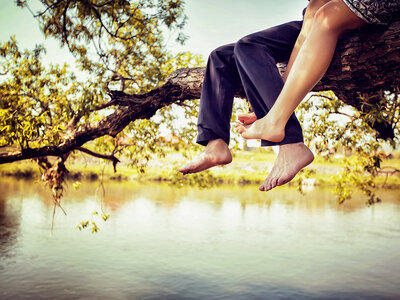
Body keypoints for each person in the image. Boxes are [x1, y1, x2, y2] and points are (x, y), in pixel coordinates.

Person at [179, 0, 400, 191]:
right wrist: (271, 105)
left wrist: (275, 112)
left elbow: (320, 14)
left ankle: (290, 143)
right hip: (317, 18)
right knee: (229, 54)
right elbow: (310, 22)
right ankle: (215, 145)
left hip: (351, 12)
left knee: (323, 15)